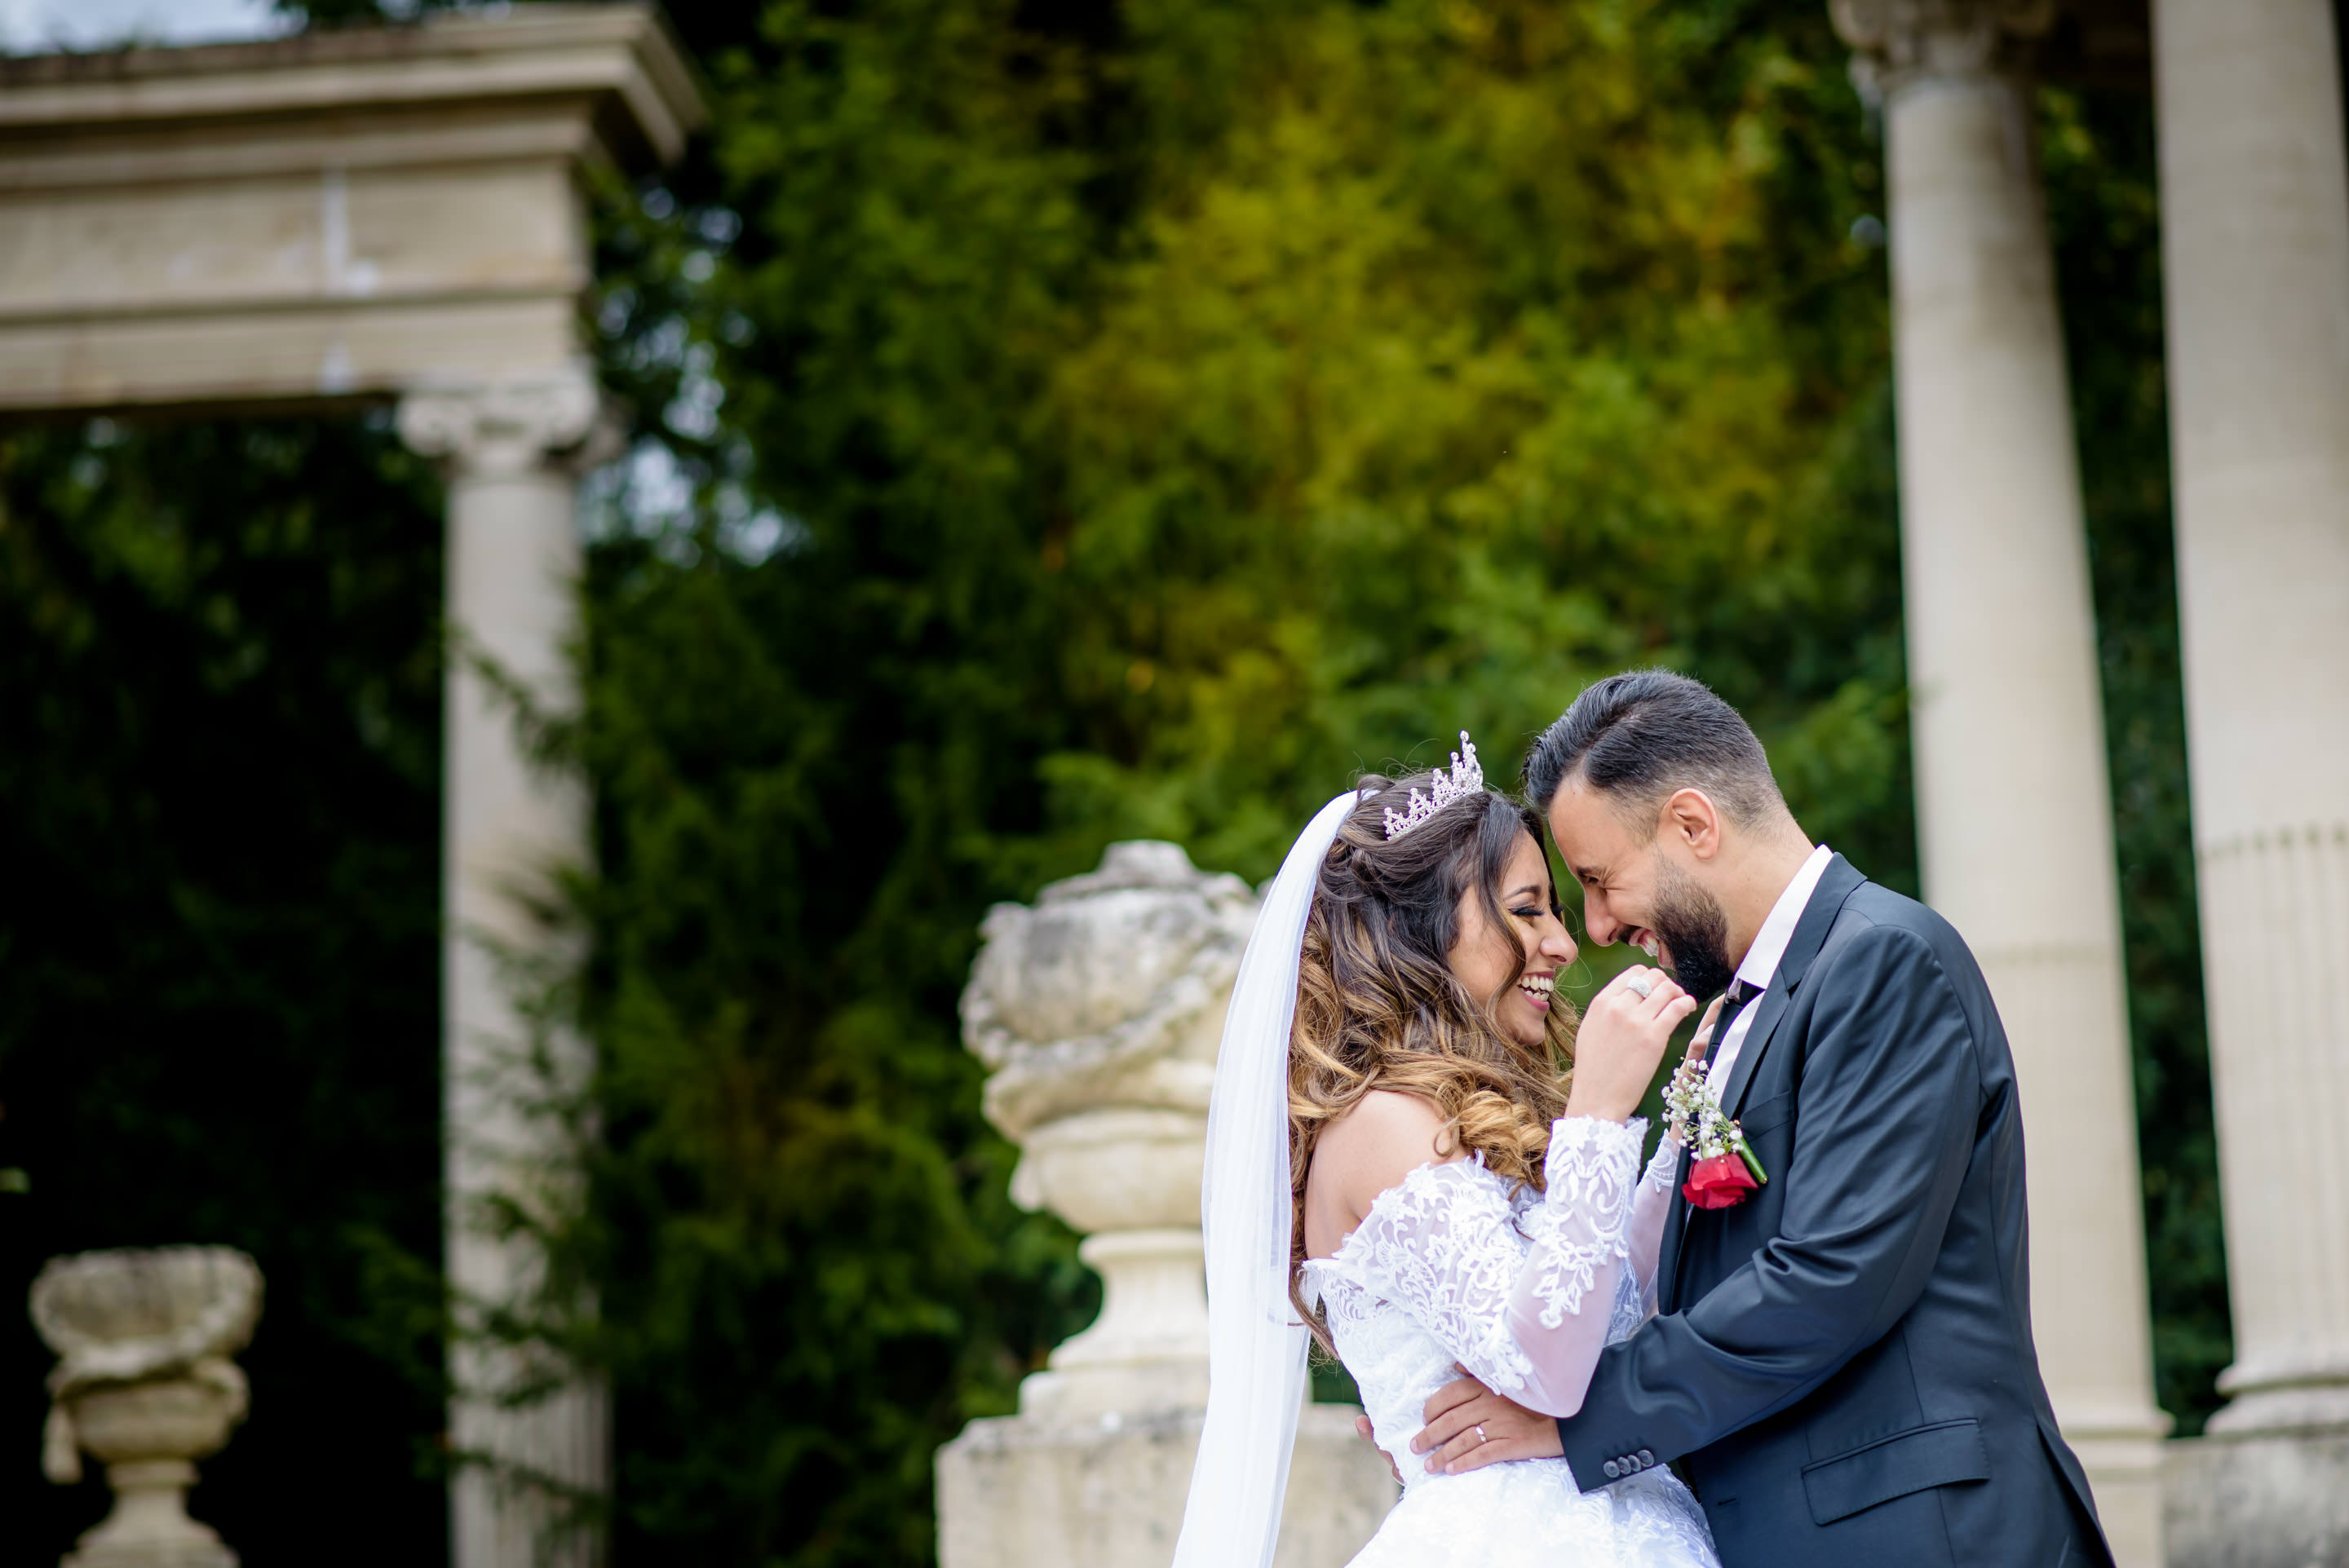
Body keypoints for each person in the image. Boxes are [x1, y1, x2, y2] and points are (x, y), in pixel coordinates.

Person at [1405, 670, 2115, 1568]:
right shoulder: (1740, 1014)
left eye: (1599, 879)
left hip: (1920, 1531)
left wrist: (1572, 1419)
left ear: (1693, 825)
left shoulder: (1884, 963)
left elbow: (1831, 1276)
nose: (1595, 926)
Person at [1168, 734, 1722, 1568]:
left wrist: (1682, 1120)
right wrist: (1599, 1115)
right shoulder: (1382, 1124)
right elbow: (1549, 1373)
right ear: (1419, 925)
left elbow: (1615, 1301)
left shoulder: (1463, 1119)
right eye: (1529, 908)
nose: (1564, 946)